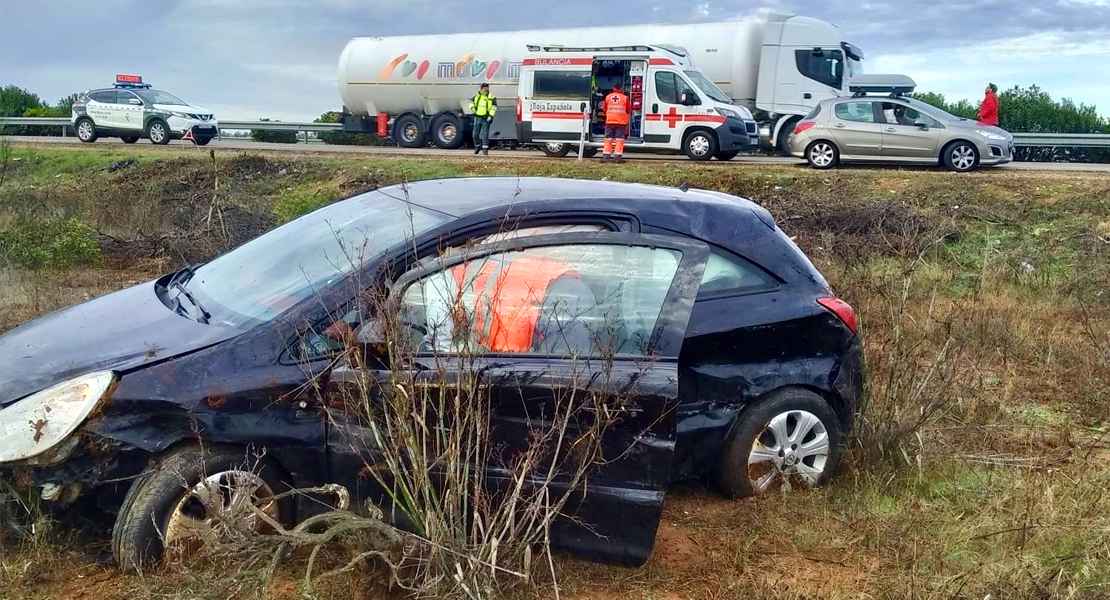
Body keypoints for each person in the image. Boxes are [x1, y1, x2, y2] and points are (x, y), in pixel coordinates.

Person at [602, 82, 631, 163]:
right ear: (621, 88)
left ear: (613, 88)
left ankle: (606, 157)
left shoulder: (608, 97)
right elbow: (628, 110)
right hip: (621, 122)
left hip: (610, 121)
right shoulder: (625, 98)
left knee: (608, 139)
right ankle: (617, 158)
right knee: (619, 140)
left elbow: (604, 109)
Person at [468, 83, 497, 155]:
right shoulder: (477, 96)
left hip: (486, 118)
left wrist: (491, 115)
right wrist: (472, 108)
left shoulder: (491, 97)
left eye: (487, 88)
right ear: (481, 89)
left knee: (485, 135)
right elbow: (471, 102)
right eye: (485, 89)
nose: (486, 90)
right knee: (475, 134)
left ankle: (485, 149)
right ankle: (477, 146)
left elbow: (494, 107)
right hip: (477, 117)